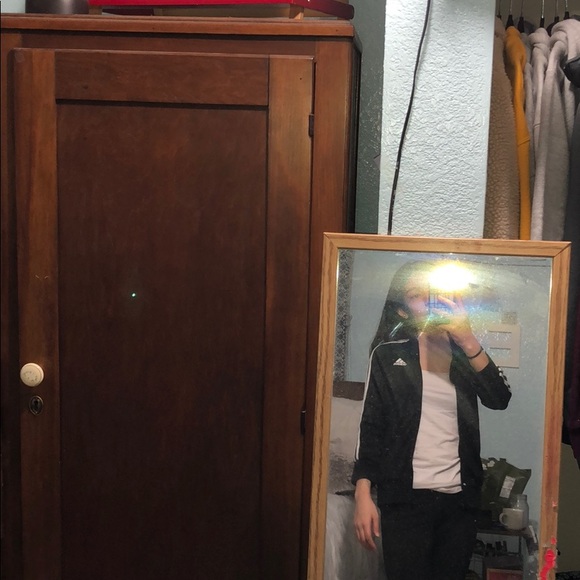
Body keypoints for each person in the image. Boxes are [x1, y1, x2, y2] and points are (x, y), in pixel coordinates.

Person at [352, 260, 512, 580]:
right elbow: (372, 427)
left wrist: (467, 339)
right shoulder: (388, 355)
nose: (427, 300)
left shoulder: (465, 355)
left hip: (460, 504)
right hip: (404, 502)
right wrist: (362, 493)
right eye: (416, 295)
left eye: (432, 292)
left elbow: (499, 399)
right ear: (402, 310)